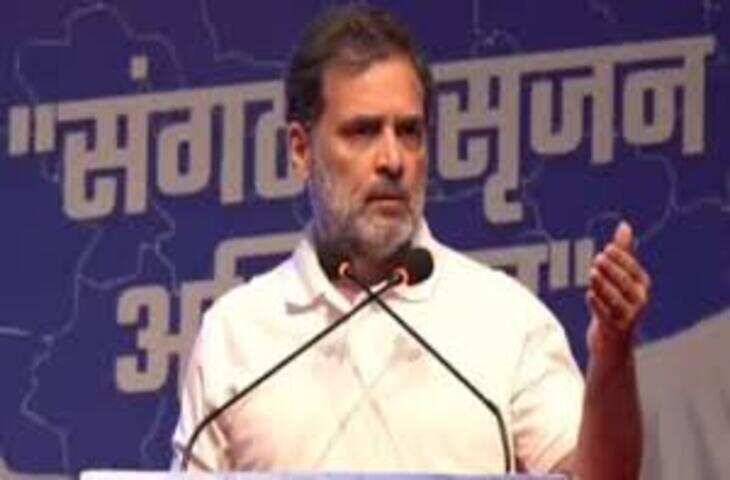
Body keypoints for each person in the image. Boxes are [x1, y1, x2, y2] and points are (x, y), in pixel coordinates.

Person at [172, 5, 651, 478]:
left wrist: (611, 354)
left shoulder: (505, 319)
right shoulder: (236, 334)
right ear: (300, 149)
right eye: (362, 132)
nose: (393, 159)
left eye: (409, 132)